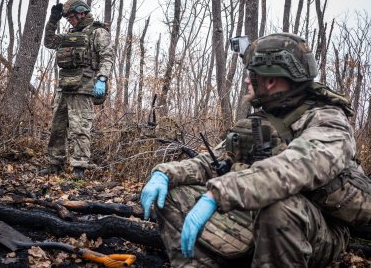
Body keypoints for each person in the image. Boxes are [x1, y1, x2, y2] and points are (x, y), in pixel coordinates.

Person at [141, 33, 365, 267]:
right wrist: (165, 173)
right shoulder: (265, 117)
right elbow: (213, 159)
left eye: (251, 75)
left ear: (269, 81)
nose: (247, 81)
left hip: (319, 229)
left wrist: (219, 193)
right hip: (256, 215)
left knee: (280, 208)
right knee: (172, 194)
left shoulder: (328, 120)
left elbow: (296, 167)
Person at [43, 0, 114, 179]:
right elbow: (49, 42)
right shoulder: (69, 35)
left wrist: (102, 79)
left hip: (85, 87)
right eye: (68, 18)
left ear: (82, 13)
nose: (71, 20)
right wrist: (53, 20)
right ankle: (55, 164)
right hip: (65, 87)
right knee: (57, 127)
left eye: (72, 17)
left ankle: (79, 169)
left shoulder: (98, 32)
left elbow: (107, 57)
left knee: (80, 128)